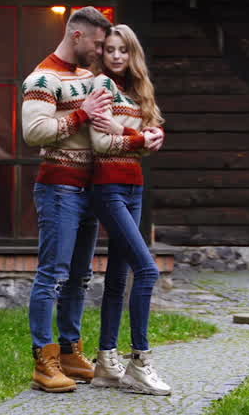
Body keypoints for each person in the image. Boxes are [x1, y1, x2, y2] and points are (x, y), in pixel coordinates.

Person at [20, 6, 116, 393]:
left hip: (89, 189)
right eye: (96, 43)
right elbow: (34, 131)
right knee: (53, 275)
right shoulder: (41, 78)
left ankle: (71, 352)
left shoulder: (89, 77)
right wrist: (82, 115)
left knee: (80, 276)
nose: (100, 50)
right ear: (76, 35)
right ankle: (45, 362)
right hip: (59, 188)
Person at [87, 24, 170, 396]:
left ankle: (106, 360)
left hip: (135, 186)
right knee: (148, 271)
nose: (116, 56)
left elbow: (149, 136)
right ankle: (139, 361)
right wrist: (137, 138)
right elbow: (103, 143)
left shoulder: (140, 91)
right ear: (101, 54)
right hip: (107, 187)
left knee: (119, 277)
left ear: (132, 53)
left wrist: (150, 137)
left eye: (123, 50)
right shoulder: (101, 87)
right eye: (110, 50)